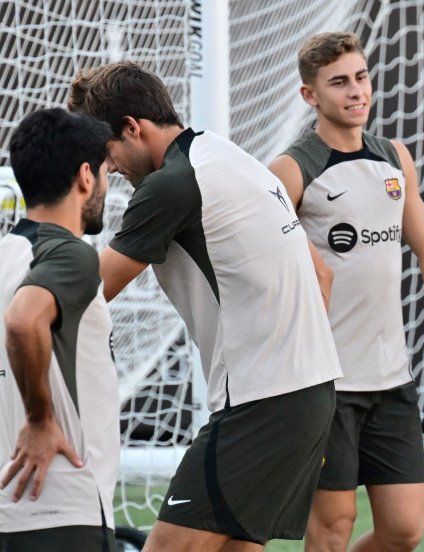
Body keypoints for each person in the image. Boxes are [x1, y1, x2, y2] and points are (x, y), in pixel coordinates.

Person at [68, 61, 342, 551]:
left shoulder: (171, 184)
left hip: (262, 402)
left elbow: (85, 293)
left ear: (133, 128)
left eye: (106, 152)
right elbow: (321, 273)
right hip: (309, 391)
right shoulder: (227, 155)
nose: (108, 168)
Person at [268, 32, 424, 552]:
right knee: (332, 529)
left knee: (404, 530)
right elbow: (265, 271)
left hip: (392, 381)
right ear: (310, 95)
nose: (356, 91)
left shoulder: (394, 158)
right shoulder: (290, 170)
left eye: (361, 77)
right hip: (326, 383)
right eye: (339, 83)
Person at [0, 108, 118, 551]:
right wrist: (39, 420)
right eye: (107, 174)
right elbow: (23, 320)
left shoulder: (6, 253)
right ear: (85, 176)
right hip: (62, 507)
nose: (107, 185)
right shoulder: (71, 254)